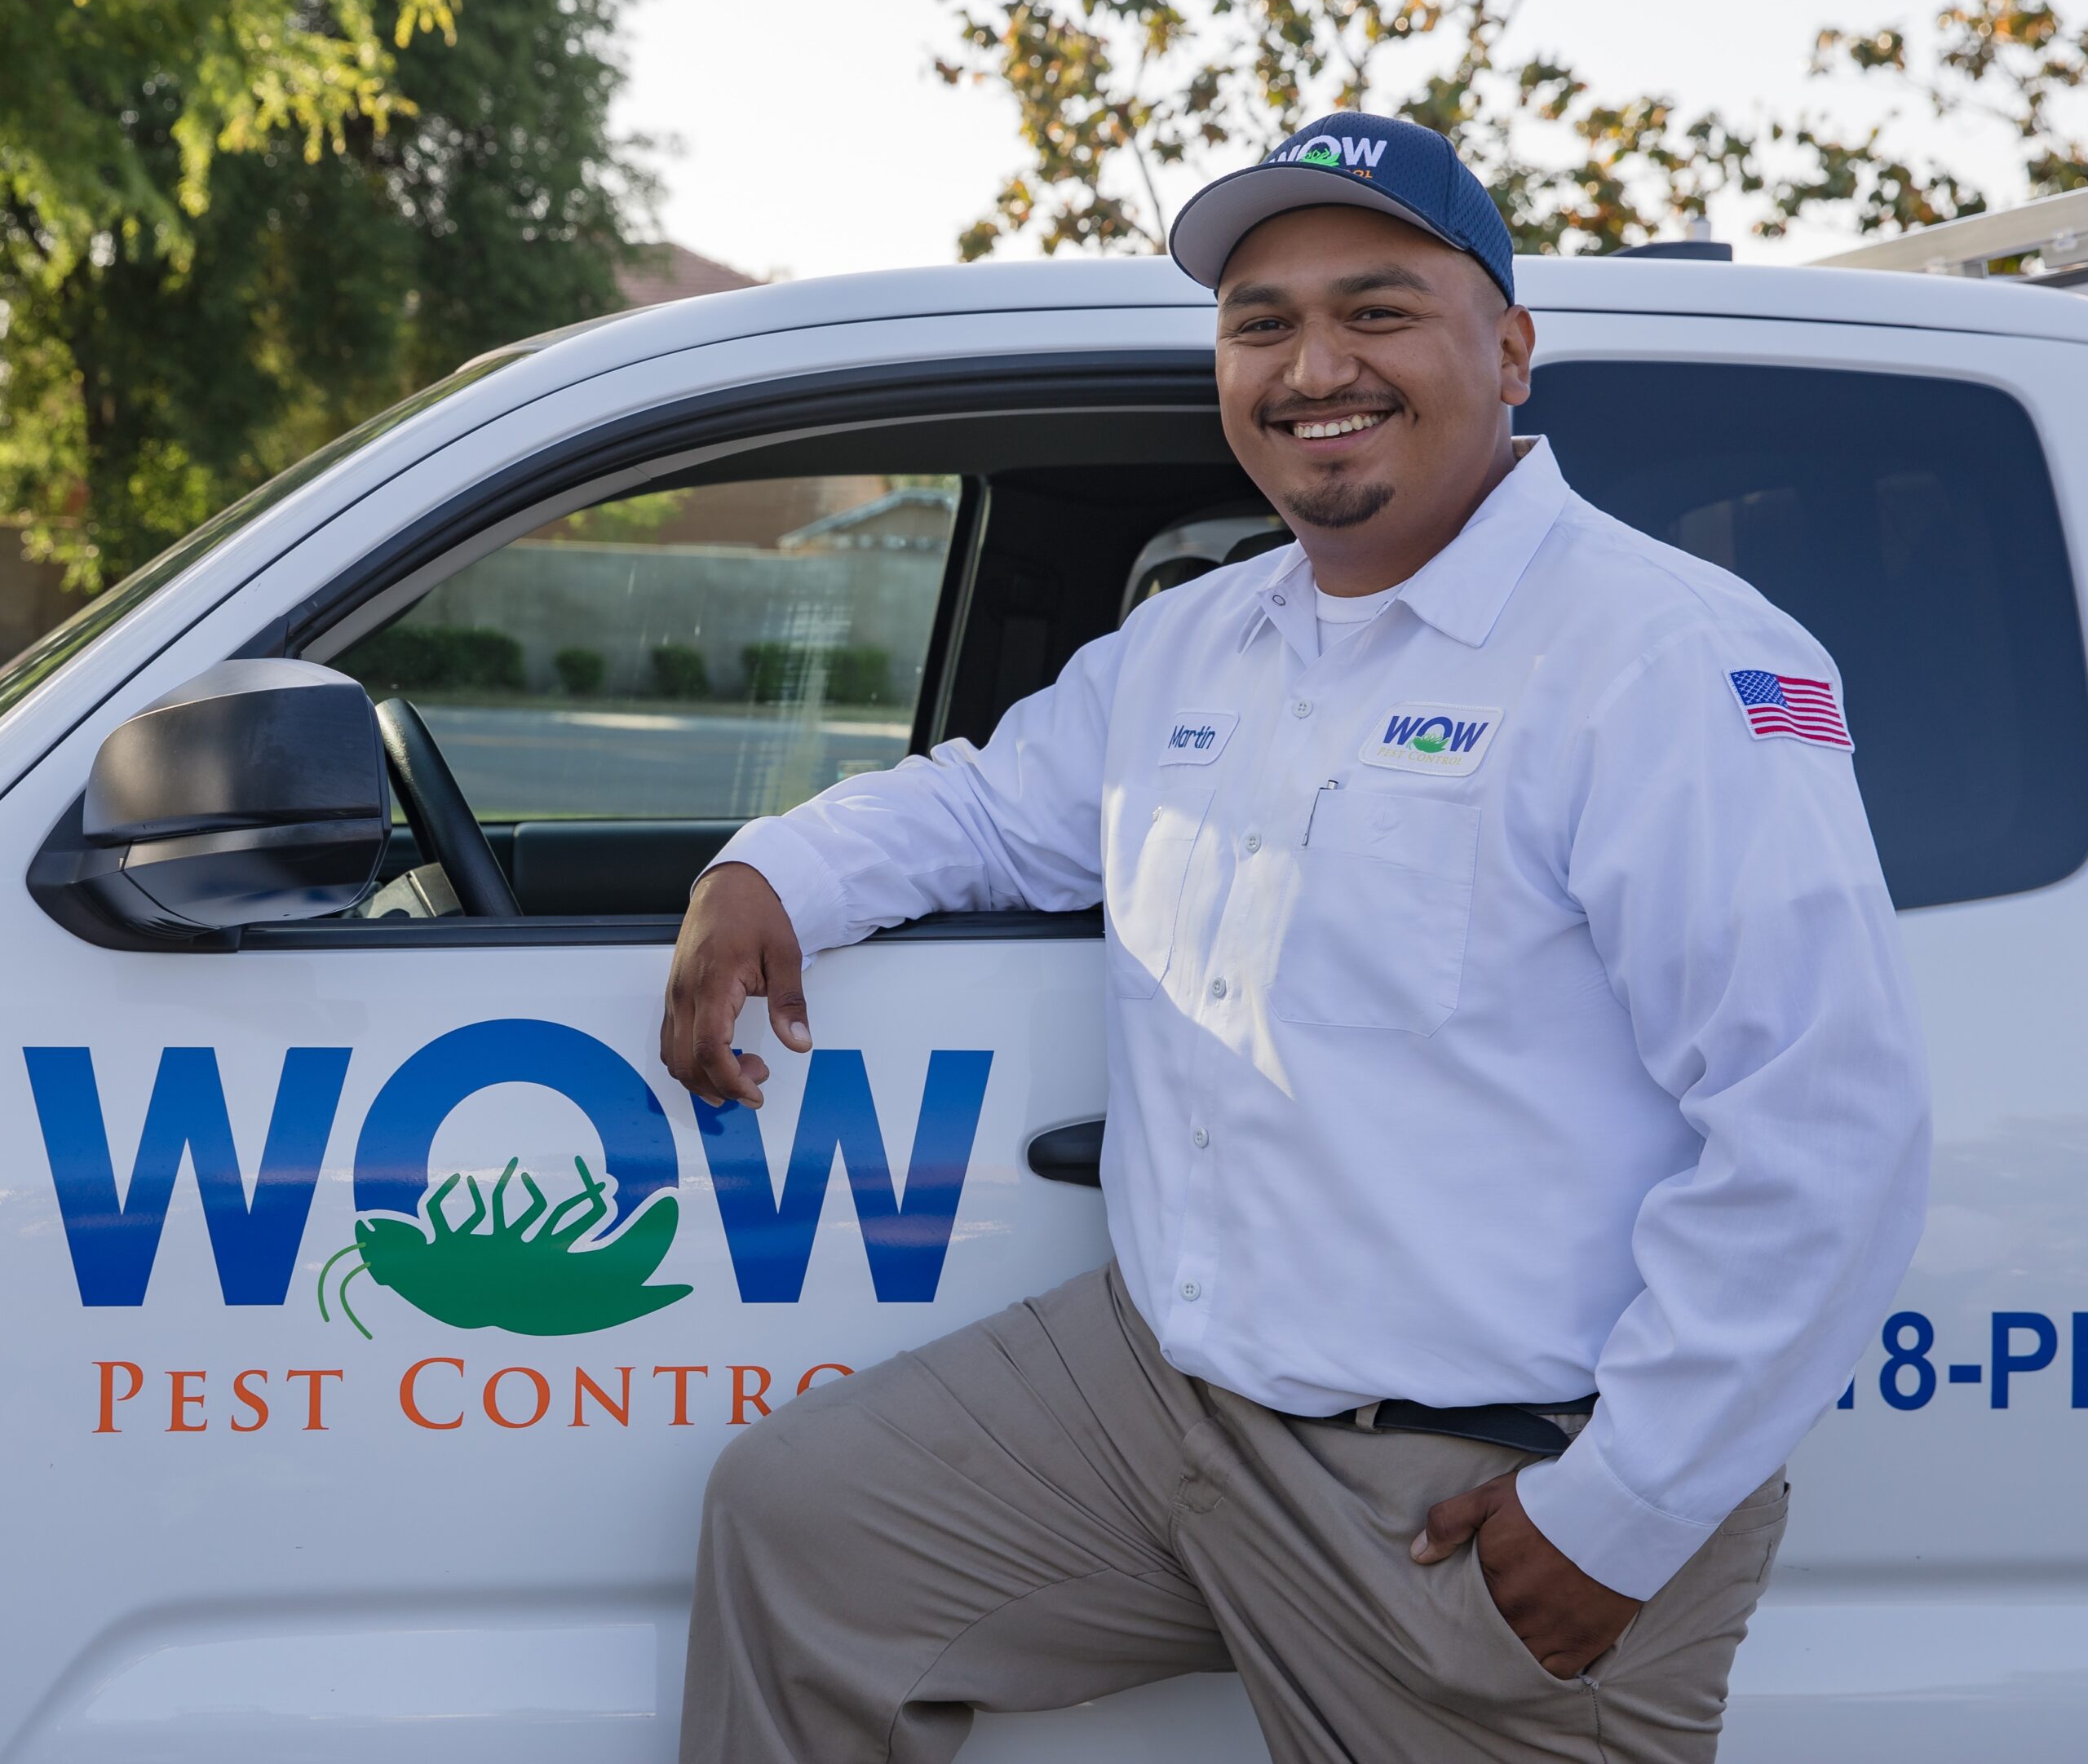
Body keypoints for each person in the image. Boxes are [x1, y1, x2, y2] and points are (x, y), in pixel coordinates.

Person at [661, 112, 1930, 1764]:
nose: (1310, 361)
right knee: (797, 1527)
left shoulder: (1659, 659)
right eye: (1259, 321)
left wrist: (1622, 1507)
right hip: (1160, 1395)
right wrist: (763, 875)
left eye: (1376, 308)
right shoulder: (1196, 643)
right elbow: (990, 807)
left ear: (1510, 348)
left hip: (1473, 1473)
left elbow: (1823, 1122)